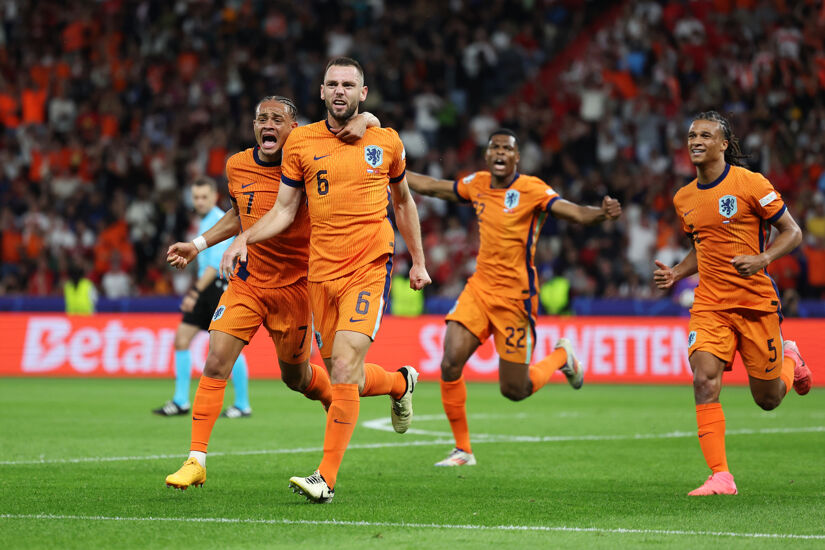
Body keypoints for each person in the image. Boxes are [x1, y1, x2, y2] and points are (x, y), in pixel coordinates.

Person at [221, 57, 431, 503]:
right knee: (345, 379)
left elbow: (405, 201)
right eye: (332, 84)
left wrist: (418, 260)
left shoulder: (386, 141)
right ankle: (399, 383)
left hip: (369, 266)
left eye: (348, 85)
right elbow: (282, 210)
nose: (340, 91)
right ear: (321, 92)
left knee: (344, 366)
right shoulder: (300, 142)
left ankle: (325, 479)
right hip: (320, 273)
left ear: (362, 93)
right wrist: (244, 238)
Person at [162, 95, 379, 489]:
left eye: (277, 119)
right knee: (215, 362)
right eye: (261, 118)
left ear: (293, 129)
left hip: (296, 287)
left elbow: (365, 130)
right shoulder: (237, 165)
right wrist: (198, 244)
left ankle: (352, 393)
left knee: (295, 378)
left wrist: (365, 116)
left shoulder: (311, 159)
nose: (268, 125)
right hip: (247, 282)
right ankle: (196, 460)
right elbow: (239, 210)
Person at [406, 129, 622, 467]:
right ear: (487, 154)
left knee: (514, 390)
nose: (501, 152)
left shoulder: (532, 189)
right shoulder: (477, 183)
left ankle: (562, 357)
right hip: (479, 289)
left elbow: (577, 213)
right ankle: (463, 450)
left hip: (516, 299)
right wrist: (393, 170)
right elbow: (434, 186)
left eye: (508, 148)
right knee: (449, 362)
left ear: (517, 158)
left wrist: (602, 213)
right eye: (495, 147)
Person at [653, 111, 812, 496]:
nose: (696, 141)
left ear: (724, 144)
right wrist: (676, 273)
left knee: (768, 399)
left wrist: (762, 259)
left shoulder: (750, 183)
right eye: (692, 135)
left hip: (755, 303)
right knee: (704, 378)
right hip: (710, 305)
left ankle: (791, 358)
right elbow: (702, 247)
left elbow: (793, 232)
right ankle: (721, 475)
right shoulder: (684, 198)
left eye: (706, 135)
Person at [153, 177, 252, 419]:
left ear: (214, 197)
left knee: (224, 349)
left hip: (216, 287)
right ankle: (181, 401)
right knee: (182, 339)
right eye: (196, 197)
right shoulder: (205, 221)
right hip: (207, 289)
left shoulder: (220, 220)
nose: (199, 201)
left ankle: (242, 403)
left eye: (204, 197)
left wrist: (195, 292)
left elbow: (213, 266)